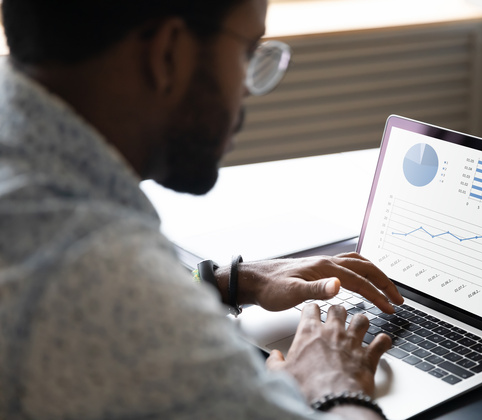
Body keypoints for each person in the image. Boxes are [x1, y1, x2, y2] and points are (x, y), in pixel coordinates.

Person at [0, 1, 405, 419]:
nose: (247, 87)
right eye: (247, 51)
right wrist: (334, 385)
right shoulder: (96, 269)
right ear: (168, 53)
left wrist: (224, 283)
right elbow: (107, 295)